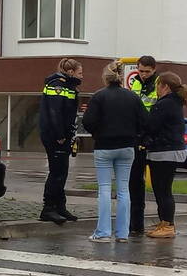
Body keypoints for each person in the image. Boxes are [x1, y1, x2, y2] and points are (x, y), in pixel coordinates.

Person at [82, 61, 146, 243]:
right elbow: (144, 121)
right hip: (127, 147)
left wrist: (97, 133)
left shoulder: (99, 97)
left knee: (104, 189)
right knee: (124, 190)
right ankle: (122, 233)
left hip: (104, 146)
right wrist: (135, 135)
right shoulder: (133, 97)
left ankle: (102, 232)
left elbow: (87, 121)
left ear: (106, 77)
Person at [142, 72, 187, 239]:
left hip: (164, 151)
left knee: (162, 190)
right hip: (170, 150)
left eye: (158, 85)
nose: (156, 89)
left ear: (165, 87)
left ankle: (168, 225)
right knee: (163, 189)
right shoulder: (174, 103)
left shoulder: (165, 104)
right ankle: (164, 222)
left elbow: (151, 126)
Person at [38, 58, 83, 225]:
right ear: (70, 72)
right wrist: (59, 135)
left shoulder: (68, 85)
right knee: (56, 172)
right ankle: (48, 208)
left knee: (62, 171)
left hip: (62, 135)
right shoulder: (57, 85)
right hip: (55, 136)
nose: (82, 76)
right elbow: (54, 112)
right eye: (80, 73)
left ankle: (59, 206)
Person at [128, 55, 158, 235]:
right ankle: (136, 225)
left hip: (152, 133)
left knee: (159, 185)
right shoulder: (135, 82)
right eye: (141, 71)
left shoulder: (160, 82)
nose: (144, 74)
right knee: (135, 183)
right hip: (138, 134)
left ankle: (163, 222)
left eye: (147, 71)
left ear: (154, 69)